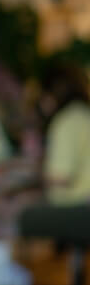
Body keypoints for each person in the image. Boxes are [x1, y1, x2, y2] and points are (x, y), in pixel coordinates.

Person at [40, 62, 90, 205]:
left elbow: (60, 177)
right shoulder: (83, 114)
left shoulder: (65, 121)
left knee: (15, 210)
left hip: (76, 205)